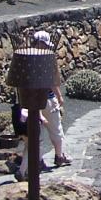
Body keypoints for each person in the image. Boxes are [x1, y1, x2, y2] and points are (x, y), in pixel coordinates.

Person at [33, 30, 72, 168]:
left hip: (32, 101)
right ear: (42, 44)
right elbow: (52, 81)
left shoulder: (27, 58)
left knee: (36, 133)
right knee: (56, 129)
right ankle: (59, 156)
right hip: (47, 99)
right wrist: (59, 96)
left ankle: (37, 160)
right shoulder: (47, 60)